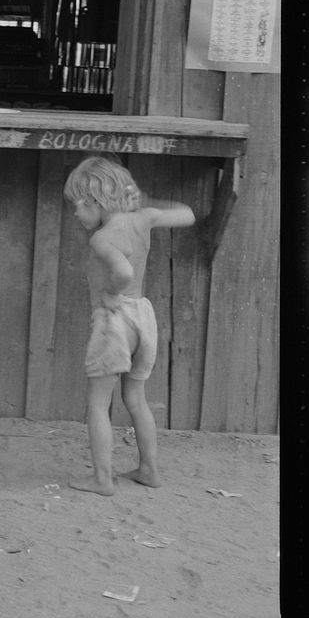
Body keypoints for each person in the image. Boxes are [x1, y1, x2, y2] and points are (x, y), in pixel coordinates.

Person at [62, 155, 195, 496]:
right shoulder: (144, 218)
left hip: (115, 319)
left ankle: (102, 479)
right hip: (143, 315)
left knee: (97, 403)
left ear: (96, 201)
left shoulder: (102, 238)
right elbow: (188, 214)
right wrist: (145, 203)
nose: (76, 214)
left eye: (78, 205)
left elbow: (123, 272)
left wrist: (109, 293)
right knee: (136, 398)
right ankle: (149, 469)